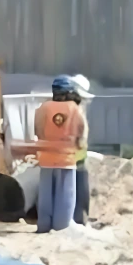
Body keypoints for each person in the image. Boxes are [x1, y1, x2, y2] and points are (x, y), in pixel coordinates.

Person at [33, 75, 89, 233]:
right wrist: (80, 148)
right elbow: (82, 133)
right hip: (67, 158)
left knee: (45, 196)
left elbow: (37, 130)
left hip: (46, 158)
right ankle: (61, 227)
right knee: (65, 196)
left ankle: (43, 226)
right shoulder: (74, 108)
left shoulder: (43, 108)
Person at [70, 74, 93, 224]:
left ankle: (80, 217)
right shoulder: (74, 108)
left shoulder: (75, 107)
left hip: (76, 153)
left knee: (80, 184)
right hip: (74, 153)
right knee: (79, 185)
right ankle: (79, 218)